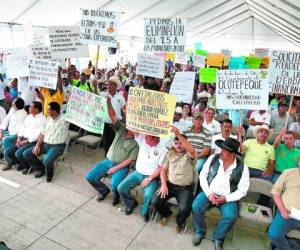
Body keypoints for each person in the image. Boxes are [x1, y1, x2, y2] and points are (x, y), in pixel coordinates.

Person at [192, 138, 250, 250]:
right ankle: (199, 232)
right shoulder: (213, 158)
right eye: (221, 148)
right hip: (209, 192)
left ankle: (218, 238)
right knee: (195, 207)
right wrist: (209, 194)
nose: (221, 152)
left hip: (227, 197)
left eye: (224, 150)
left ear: (233, 154)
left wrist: (226, 198)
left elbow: (243, 189)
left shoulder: (243, 167)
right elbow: (202, 176)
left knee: (231, 216)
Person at [86, 96, 139, 206]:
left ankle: (117, 195)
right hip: (108, 161)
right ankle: (103, 190)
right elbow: (112, 115)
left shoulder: (137, 142)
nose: (130, 124)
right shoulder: (121, 128)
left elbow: (130, 160)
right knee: (90, 177)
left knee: (115, 185)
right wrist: (109, 103)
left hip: (121, 166)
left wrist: (115, 168)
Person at [152, 127, 197, 233]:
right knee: (155, 201)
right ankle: (166, 213)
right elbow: (163, 170)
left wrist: (177, 133)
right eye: (176, 143)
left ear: (185, 143)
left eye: (180, 143)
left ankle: (179, 222)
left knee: (185, 209)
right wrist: (163, 185)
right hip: (169, 184)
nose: (178, 145)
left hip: (185, 188)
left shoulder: (190, 155)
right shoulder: (170, 154)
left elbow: (190, 150)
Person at [118, 134, 167, 222]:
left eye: (147, 137)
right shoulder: (143, 141)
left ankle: (144, 212)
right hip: (137, 173)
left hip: (151, 177)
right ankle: (131, 204)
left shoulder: (163, 149)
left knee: (148, 195)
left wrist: (149, 178)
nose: (145, 138)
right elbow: (135, 131)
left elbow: (160, 168)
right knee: (121, 188)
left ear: (155, 138)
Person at [23, 102, 69, 182]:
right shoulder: (48, 119)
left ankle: (50, 174)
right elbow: (42, 134)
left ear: (55, 111)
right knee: (27, 154)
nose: (47, 111)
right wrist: (37, 145)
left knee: (47, 160)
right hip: (45, 144)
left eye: (48, 110)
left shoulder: (65, 119)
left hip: (58, 146)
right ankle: (41, 169)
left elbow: (76, 118)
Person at [3, 102, 46, 172]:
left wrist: (25, 141)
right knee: (8, 152)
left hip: (32, 142)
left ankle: (29, 166)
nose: (29, 108)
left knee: (19, 154)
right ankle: (22, 163)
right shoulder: (29, 116)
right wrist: (19, 138)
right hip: (23, 139)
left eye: (31, 107)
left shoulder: (42, 119)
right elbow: (22, 128)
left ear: (37, 109)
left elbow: (38, 135)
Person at [268, 163, 300, 250]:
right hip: (287, 214)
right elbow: (275, 192)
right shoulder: (288, 173)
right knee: (274, 234)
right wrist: (283, 211)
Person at [100, 77, 126, 156]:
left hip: (117, 124)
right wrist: (94, 86)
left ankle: (114, 157)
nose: (108, 86)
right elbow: (94, 96)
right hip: (107, 124)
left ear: (115, 86)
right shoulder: (103, 95)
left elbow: (124, 110)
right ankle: (107, 157)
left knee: (116, 142)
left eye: (111, 84)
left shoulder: (120, 97)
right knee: (107, 142)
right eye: (108, 84)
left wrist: (125, 122)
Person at [1, 98, 27, 170]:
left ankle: (9, 162)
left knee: (5, 139)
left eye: (13, 102)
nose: (12, 102)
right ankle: (6, 157)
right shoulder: (12, 109)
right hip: (9, 132)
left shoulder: (23, 114)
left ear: (15, 105)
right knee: (3, 136)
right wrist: (1, 130)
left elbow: (21, 129)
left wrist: (16, 137)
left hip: (16, 135)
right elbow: (6, 119)